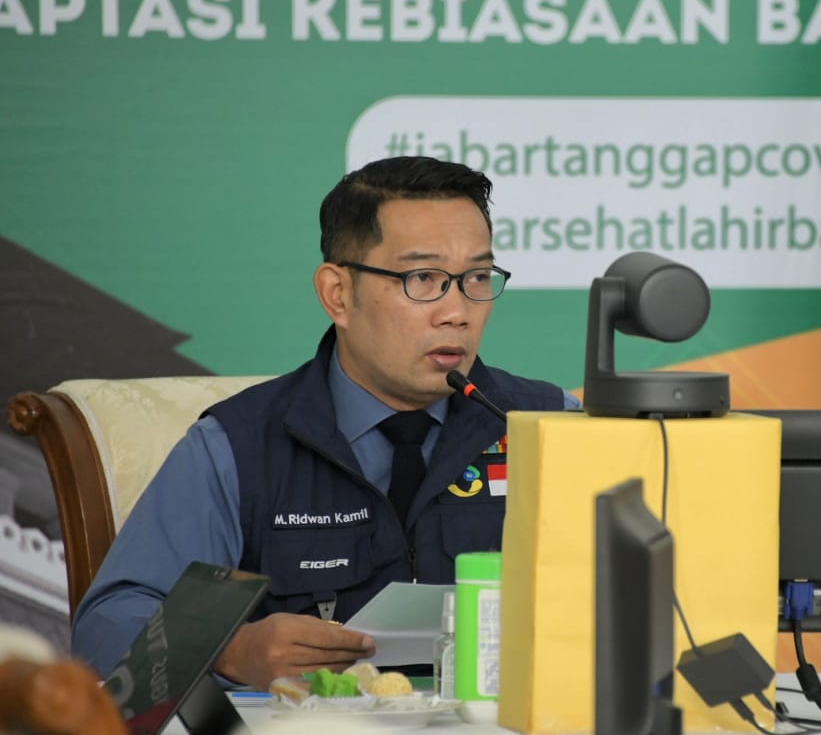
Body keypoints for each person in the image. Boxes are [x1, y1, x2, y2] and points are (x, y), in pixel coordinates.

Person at [71, 157, 579, 689]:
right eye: (424, 278)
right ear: (338, 294)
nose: (458, 311)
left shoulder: (547, 428)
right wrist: (227, 650)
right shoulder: (236, 448)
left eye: (476, 277)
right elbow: (108, 626)